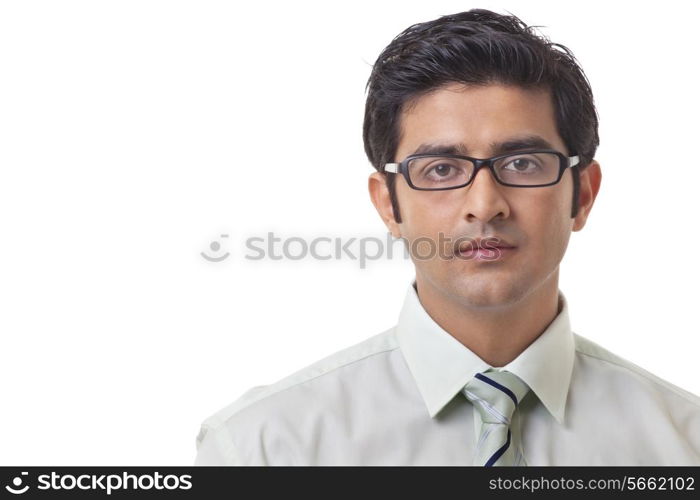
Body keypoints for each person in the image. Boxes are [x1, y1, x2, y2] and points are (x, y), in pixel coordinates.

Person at [193, 8, 700, 466]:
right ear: (389, 203)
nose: (485, 204)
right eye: (440, 169)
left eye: (522, 163)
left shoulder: (684, 444)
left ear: (583, 195)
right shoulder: (263, 450)